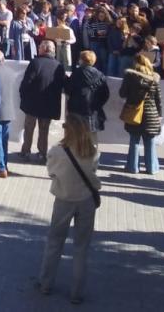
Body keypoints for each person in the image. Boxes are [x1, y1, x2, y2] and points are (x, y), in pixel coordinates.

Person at [38, 115, 101, 303]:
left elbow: (51, 172)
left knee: (55, 242)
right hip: (86, 200)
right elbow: (93, 171)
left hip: (64, 199)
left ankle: (46, 283)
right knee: (81, 247)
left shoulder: (57, 152)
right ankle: (77, 293)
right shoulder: (93, 151)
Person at [19, 40, 67, 163]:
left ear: (44, 49)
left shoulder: (35, 62)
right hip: (49, 104)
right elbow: (63, 84)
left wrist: (23, 96)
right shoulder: (59, 66)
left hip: (32, 103)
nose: (38, 48)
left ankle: (26, 151)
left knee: (29, 128)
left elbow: (27, 82)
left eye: (39, 46)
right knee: (44, 130)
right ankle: (42, 153)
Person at [119, 52, 162, 175]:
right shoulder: (154, 78)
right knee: (150, 142)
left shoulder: (130, 77)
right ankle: (152, 168)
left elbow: (122, 93)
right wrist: (160, 115)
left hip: (134, 113)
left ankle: (132, 167)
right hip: (151, 114)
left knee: (134, 141)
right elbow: (158, 99)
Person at [63, 50, 109, 134]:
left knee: (76, 136)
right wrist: (97, 105)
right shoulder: (100, 75)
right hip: (93, 112)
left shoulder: (77, 73)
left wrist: (66, 80)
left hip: (77, 111)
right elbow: (106, 94)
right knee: (91, 137)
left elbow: (68, 90)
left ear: (81, 60)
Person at [0, 49, 19, 179]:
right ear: (3, 59)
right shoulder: (11, 72)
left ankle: (1, 167)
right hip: (8, 109)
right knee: (4, 139)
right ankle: (4, 165)